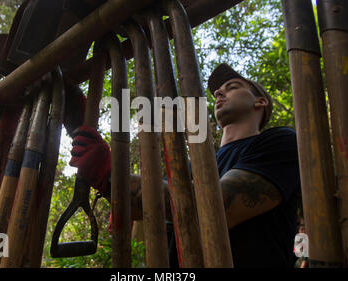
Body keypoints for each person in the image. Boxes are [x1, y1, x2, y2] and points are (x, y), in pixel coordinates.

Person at [70, 63, 301, 268]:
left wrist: (110, 172)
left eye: (232, 86)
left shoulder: (279, 142)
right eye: (219, 90)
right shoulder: (192, 167)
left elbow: (216, 209)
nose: (220, 91)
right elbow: (150, 208)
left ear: (260, 101)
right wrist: (81, 133)